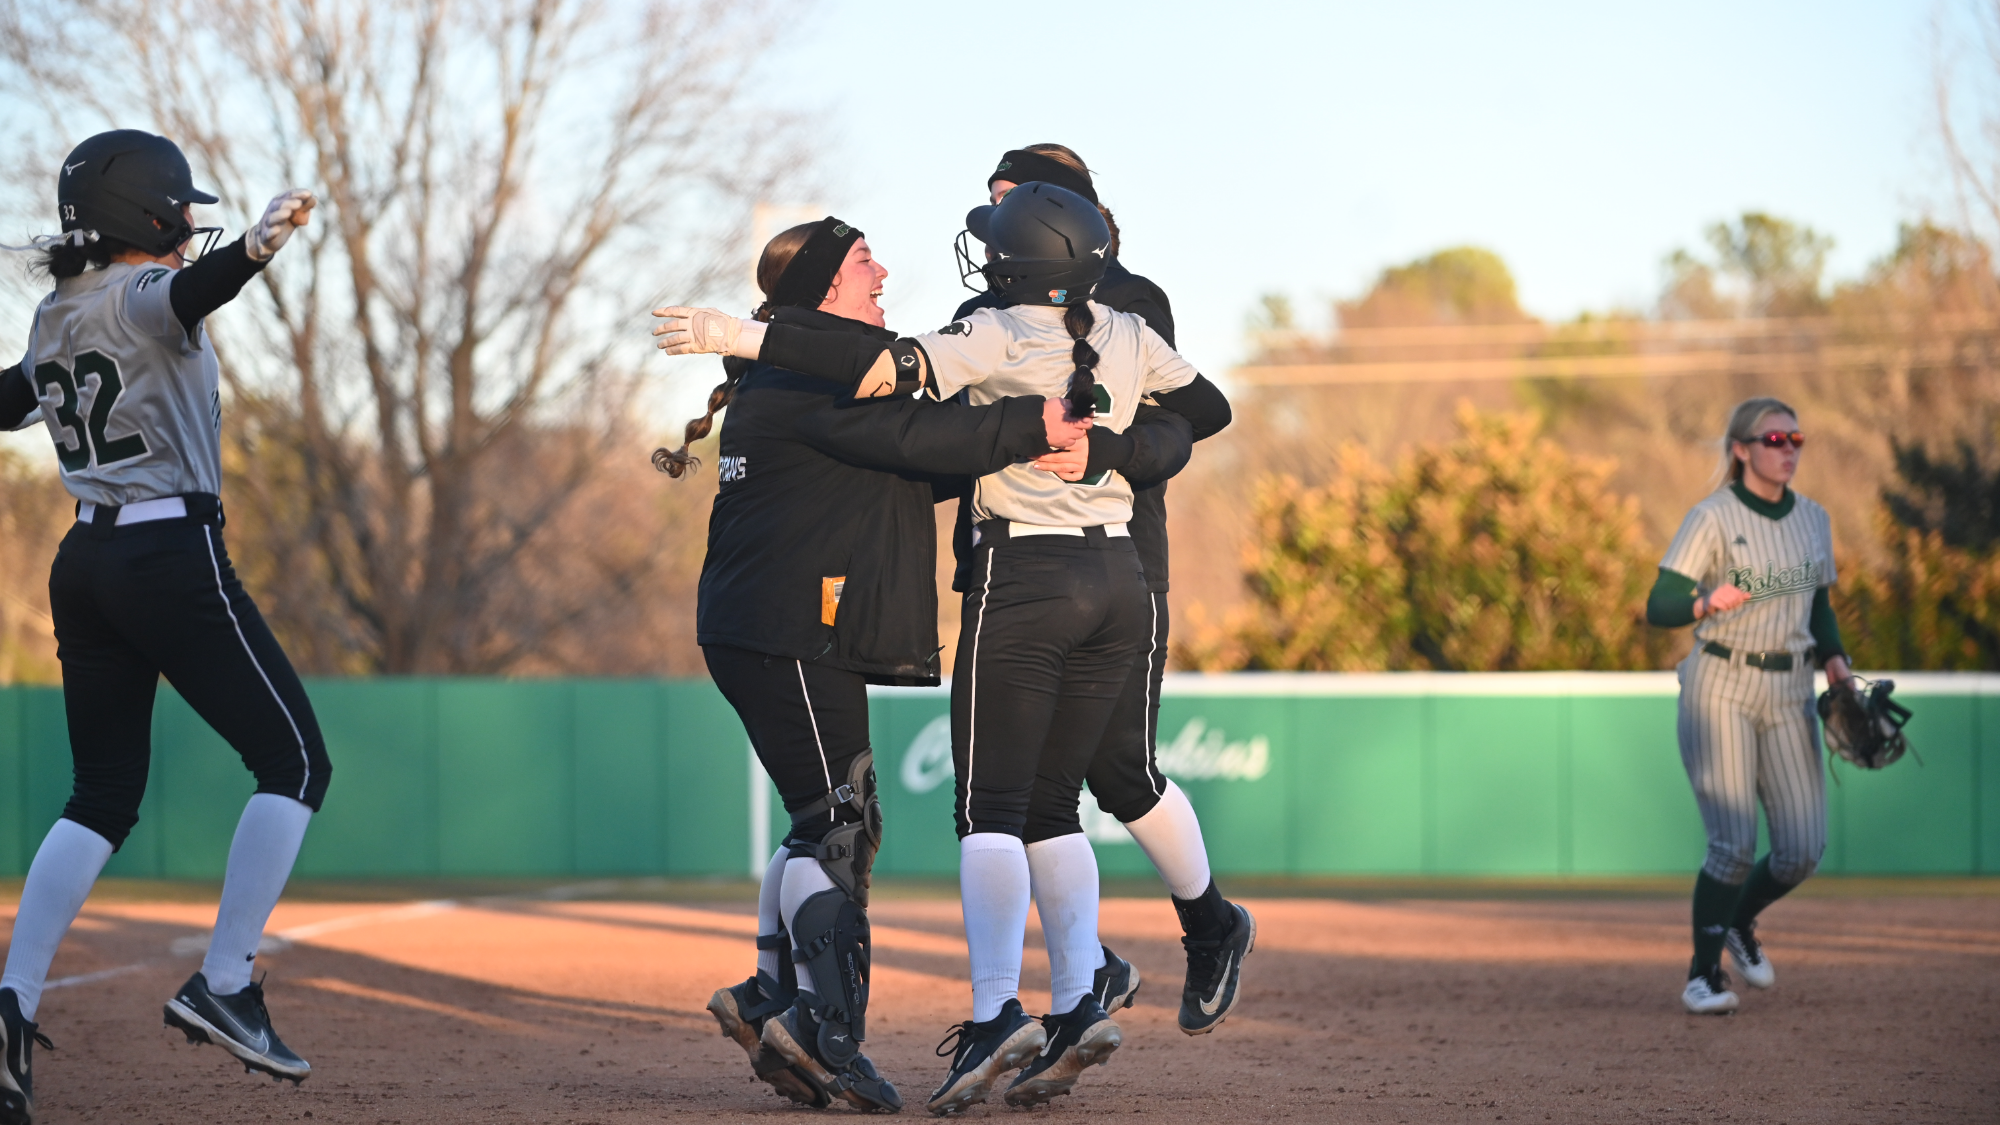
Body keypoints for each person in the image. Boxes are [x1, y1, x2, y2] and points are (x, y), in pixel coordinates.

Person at [653, 181, 1232, 1114]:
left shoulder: (957, 342)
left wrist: (1074, 439)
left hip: (835, 618)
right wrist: (1071, 436)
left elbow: (917, 424)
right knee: (860, 821)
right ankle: (826, 1027)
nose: (883, 272)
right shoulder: (816, 373)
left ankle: (796, 1001)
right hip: (799, 626)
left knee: (868, 816)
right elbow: (926, 425)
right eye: (861, 263)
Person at [0, 130, 330, 1120]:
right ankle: (222, 981)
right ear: (148, 214)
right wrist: (256, 252)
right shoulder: (146, 294)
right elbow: (189, 295)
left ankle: (10, 1005)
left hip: (85, 563)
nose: (191, 223)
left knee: (101, 793)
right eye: (178, 208)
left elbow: (10, 401)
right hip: (166, 557)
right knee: (297, 764)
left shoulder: (56, 310)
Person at [952, 144, 1254, 1041]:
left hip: (1118, 559)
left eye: (1011, 200)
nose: (994, 216)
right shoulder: (985, 310)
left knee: (1115, 769)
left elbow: (1182, 429)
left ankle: (1210, 922)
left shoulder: (1129, 305)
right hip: (1008, 562)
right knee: (1029, 793)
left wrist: (1109, 452)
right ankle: (1088, 977)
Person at [1645, 397, 1851, 1015]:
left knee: (1801, 850)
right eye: (1774, 439)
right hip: (1722, 682)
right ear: (1741, 450)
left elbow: (1818, 606)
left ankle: (1739, 920)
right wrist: (1705, 602)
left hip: (1791, 689)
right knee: (1732, 844)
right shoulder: (1712, 516)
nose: (1787, 449)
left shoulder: (1813, 518)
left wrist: (1836, 662)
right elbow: (1660, 605)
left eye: (1796, 439)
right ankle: (1703, 976)